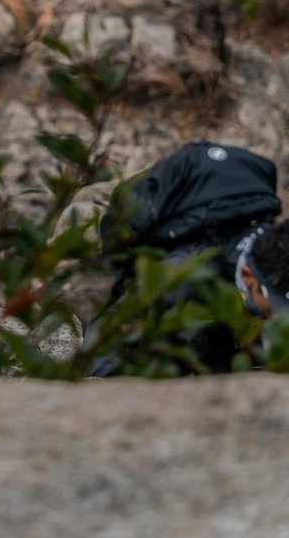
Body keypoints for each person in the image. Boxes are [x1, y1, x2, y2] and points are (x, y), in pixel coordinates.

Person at [92, 140, 289, 372]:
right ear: (248, 277)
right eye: (274, 306)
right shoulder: (183, 274)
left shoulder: (277, 244)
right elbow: (109, 329)